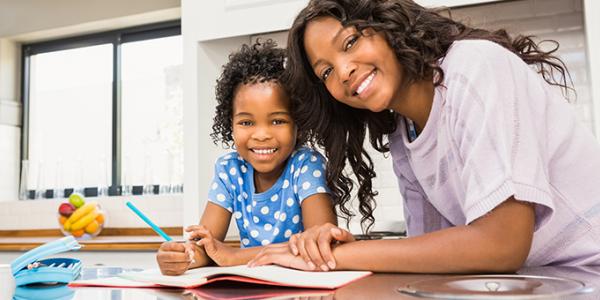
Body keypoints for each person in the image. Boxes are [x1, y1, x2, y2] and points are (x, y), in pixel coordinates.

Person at [248, 0, 600, 273]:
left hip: (587, 273)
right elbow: (430, 252)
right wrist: (340, 248)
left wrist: (339, 256)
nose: (343, 72)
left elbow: (502, 244)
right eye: (325, 71)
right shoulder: (404, 134)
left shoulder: (474, 68)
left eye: (351, 41)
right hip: (542, 281)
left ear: (386, 25)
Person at [156, 40, 336, 275]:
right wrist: (184, 256)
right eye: (246, 122)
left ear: (298, 125)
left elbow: (320, 245)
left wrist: (234, 256)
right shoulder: (230, 169)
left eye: (278, 121)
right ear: (230, 125)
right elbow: (206, 249)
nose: (261, 135)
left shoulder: (305, 165)